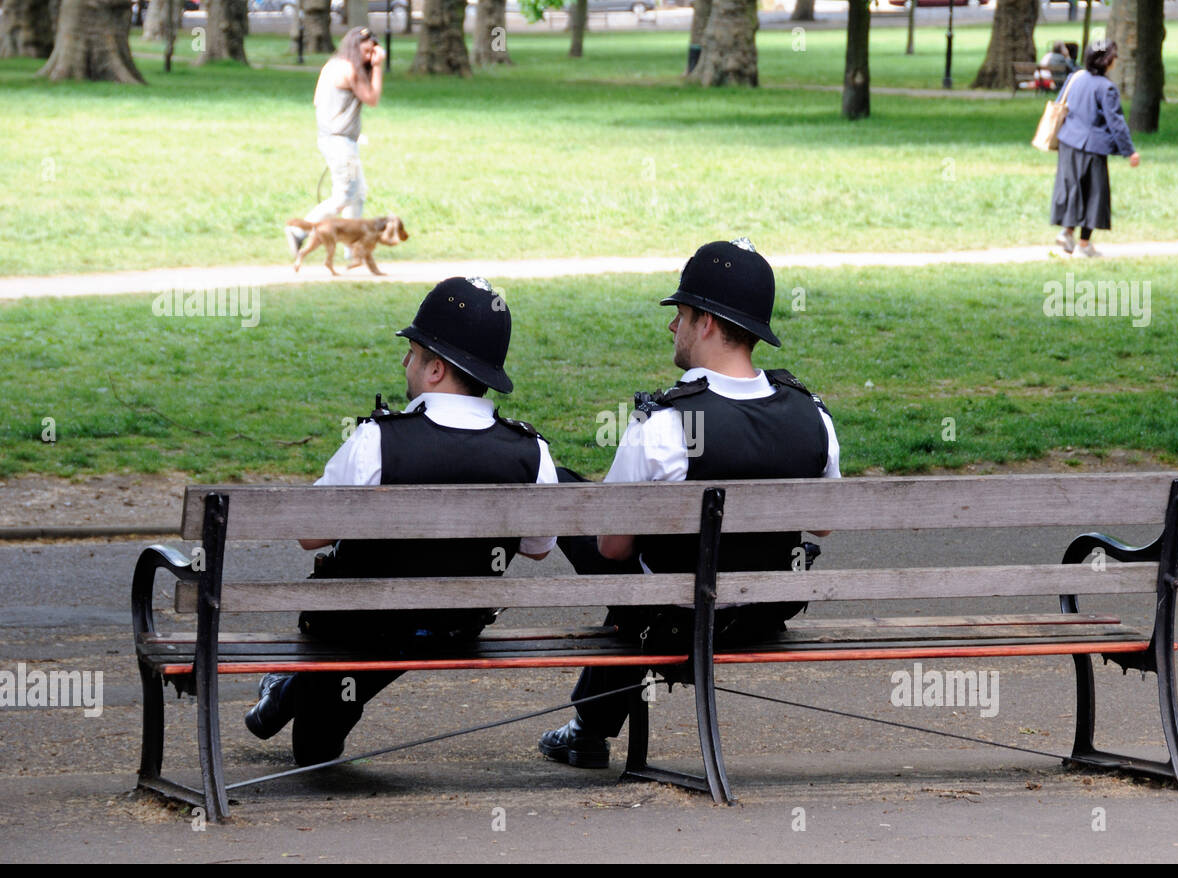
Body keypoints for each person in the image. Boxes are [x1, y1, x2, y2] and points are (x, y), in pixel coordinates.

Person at [539, 238, 841, 769]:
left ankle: (589, 725)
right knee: (647, 573)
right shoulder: (811, 415)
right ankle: (589, 724)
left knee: (573, 499)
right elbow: (825, 524)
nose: (672, 328)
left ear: (705, 322)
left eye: (679, 314)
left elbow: (611, 549)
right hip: (761, 611)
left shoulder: (665, 423)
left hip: (677, 615)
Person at [244, 277, 558, 766]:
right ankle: (286, 693)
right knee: (322, 730)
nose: (404, 363)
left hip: (357, 627)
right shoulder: (530, 451)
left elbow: (309, 535)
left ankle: (287, 691)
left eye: (411, 353)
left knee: (314, 747)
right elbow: (538, 548)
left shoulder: (378, 440)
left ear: (435, 369)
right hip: (457, 624)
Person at [286, 26, 386, 260]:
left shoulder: (331, 65)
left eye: (373, 51)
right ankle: (299, 229)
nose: (369, 56)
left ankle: (352, 248)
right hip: (341, 142)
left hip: (332, 138)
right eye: (367, 50)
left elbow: (317, 101)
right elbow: (372, 98)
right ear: (355, 47)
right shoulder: (349, 69)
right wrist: (378, 66)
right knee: (345, 194)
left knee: (358, 193)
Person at [1051, 38, 1140, 258]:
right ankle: (1083, 245)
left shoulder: (1076, 77)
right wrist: (1130, 151)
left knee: (1073, 189)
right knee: (1093, 194)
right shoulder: (1106, 87)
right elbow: (1116, 122)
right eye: (1115, 55)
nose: (1116, 59)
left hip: (1068, 142)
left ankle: (1067, 233)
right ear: (1107, 60)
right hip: (1092, 146)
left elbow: (1060, 102)